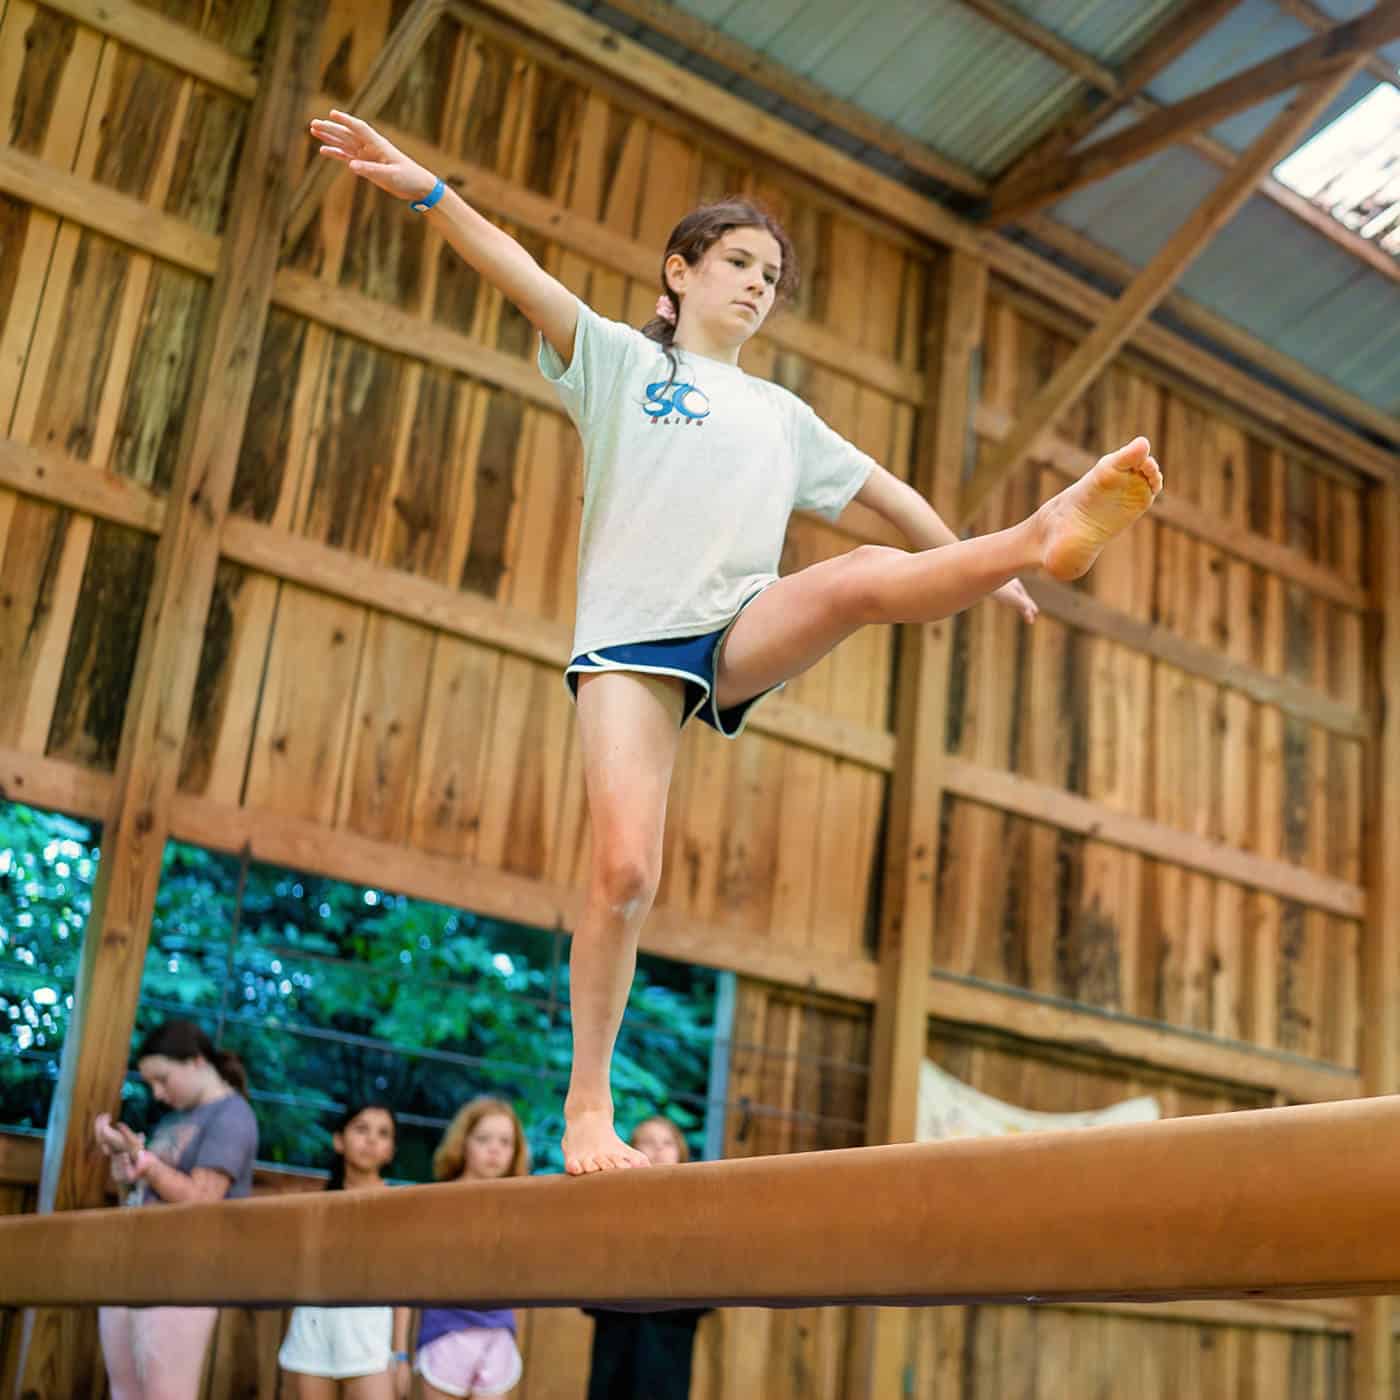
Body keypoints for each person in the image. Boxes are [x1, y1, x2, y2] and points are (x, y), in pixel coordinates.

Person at [307, 110, 1163, 1175]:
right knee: (623, 872)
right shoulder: (617, 365)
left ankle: (1033, 536)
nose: (759, 284)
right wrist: (428, 188)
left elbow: (887, 497)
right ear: (680, 271)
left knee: (852, 579)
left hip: (737, 619)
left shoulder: (782, 415)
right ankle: (585, 1107)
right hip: (627, 645)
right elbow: (519, 273)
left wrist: (981, 563)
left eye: (773, 274)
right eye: (740, 263)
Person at [92, 1018, 259, 1400]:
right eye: (151, 1083)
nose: (157, 1093)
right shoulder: (174, 1118)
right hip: (133, 1263)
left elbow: (203, 1198)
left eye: (163, 1079)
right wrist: (128, 1171)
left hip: (186, 1271)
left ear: (196, 1062)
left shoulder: (232, 1115)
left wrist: (147, 1163)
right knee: (125, 1391)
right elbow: (141, 1199)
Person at [279, 1101, 413, 1398]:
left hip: (370, 1343)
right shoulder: (313, 1205)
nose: (371, 1140)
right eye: (361, 1129)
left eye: (383, 1133)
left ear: (391, 1150)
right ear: (339, 1140)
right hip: (310, 1340)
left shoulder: (399, 1205)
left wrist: (400, 1355)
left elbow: (402, 1287)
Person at [584, 1116, 709, 1400]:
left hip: (669, 1339)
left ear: (680, 1153)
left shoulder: (697, 1215)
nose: (658, 1150)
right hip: (616, 1334)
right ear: (630, 1150)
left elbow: (709, 1290)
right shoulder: (609, 1210)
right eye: (648, 1143)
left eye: (667, 1143)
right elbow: (587, 1288)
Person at [415, 1098, 530, 1399]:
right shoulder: (438, 1201)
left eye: (505, 1142)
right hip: (446, 1330)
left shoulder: (519, 1208)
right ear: (463, 1142)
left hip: (498, 1333)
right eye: (483, 1139)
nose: (495, 1149)